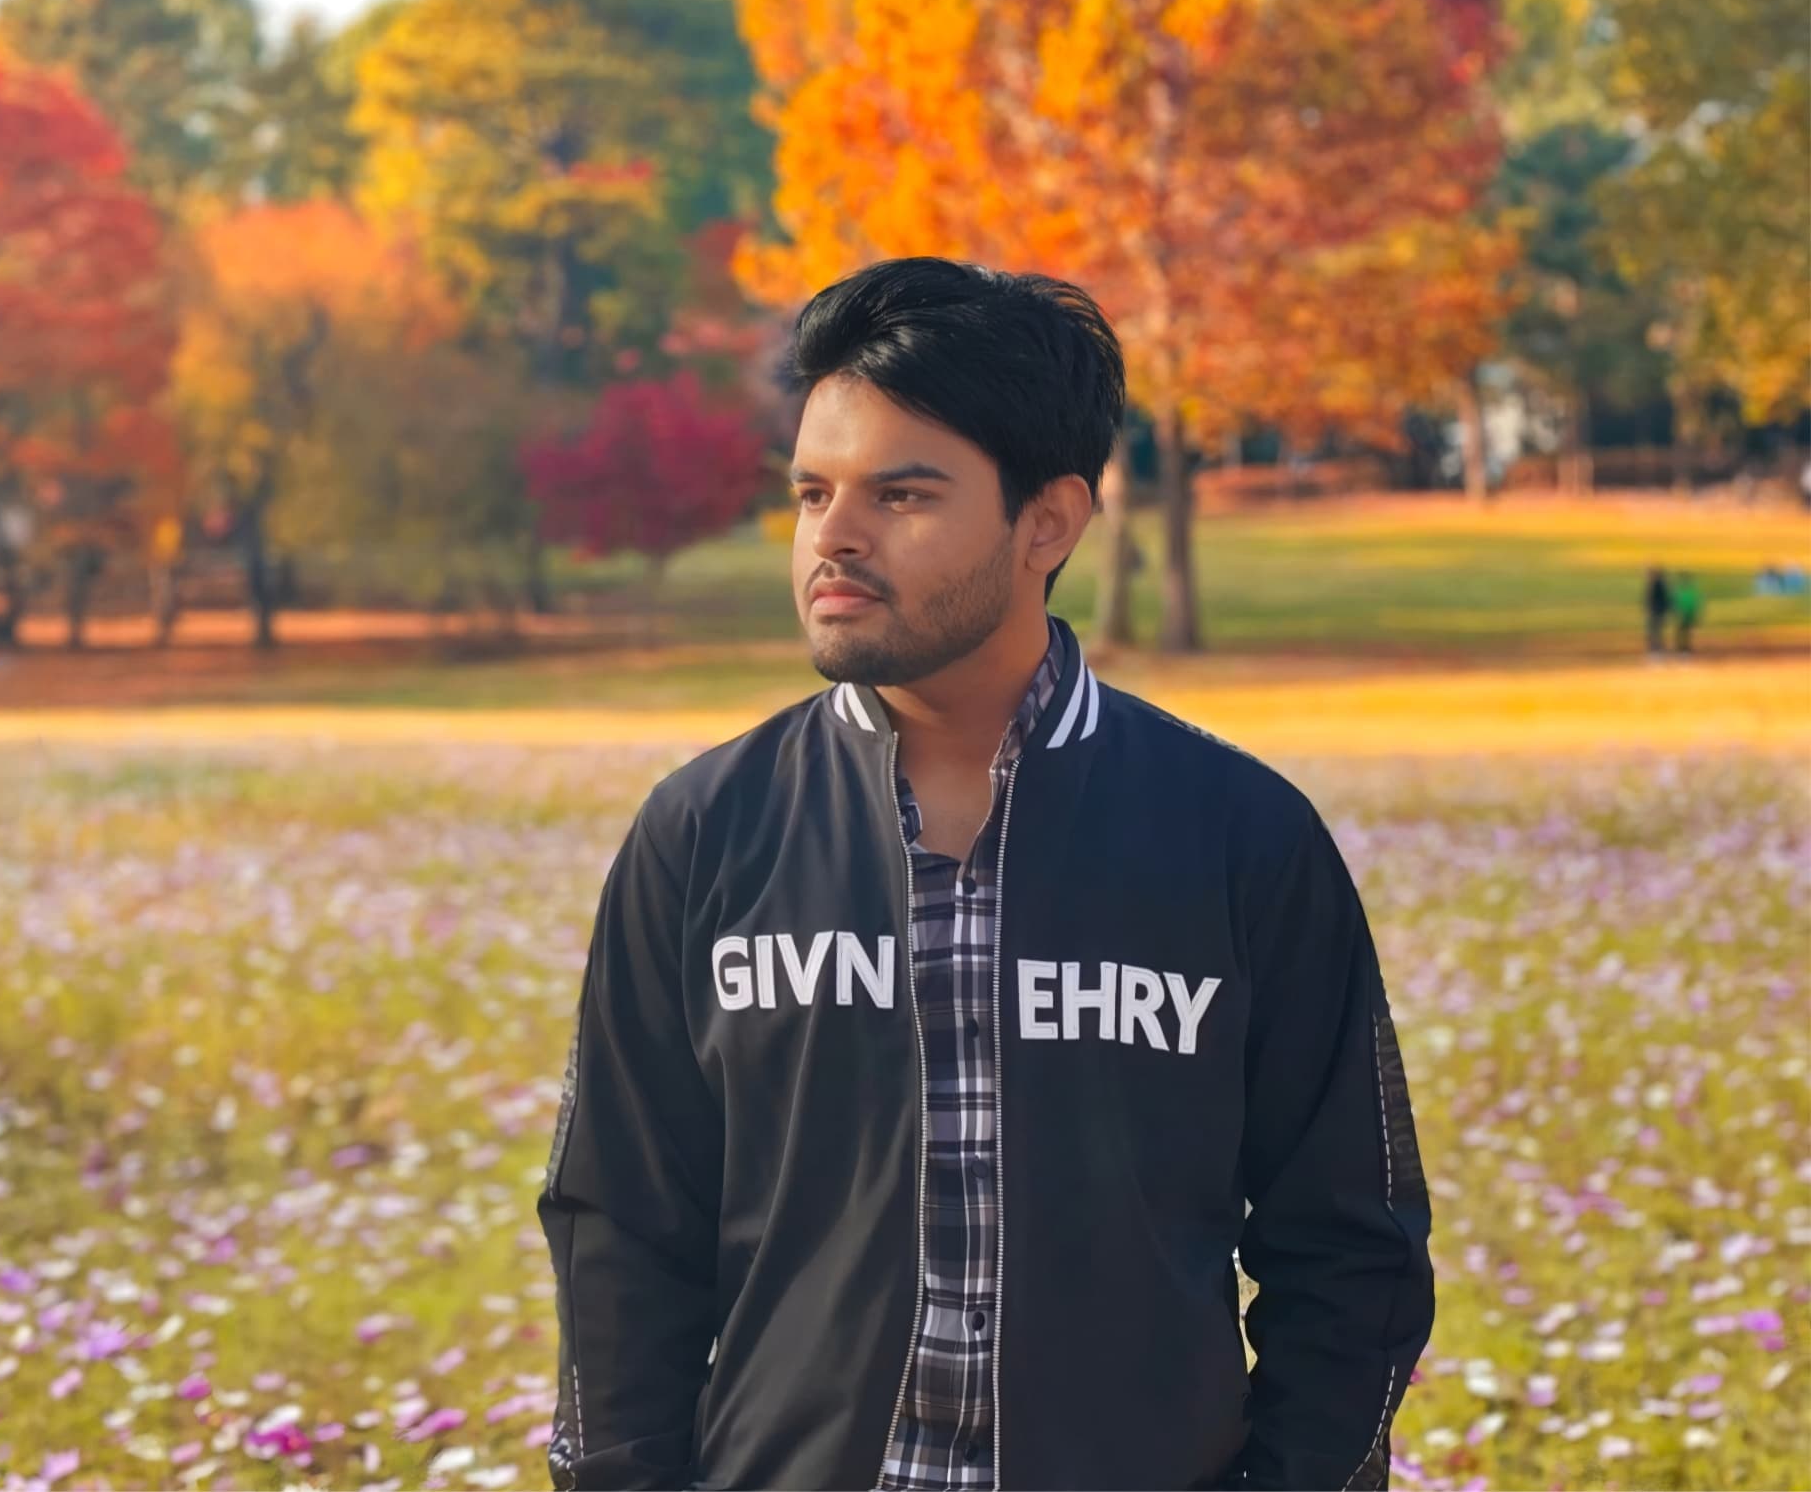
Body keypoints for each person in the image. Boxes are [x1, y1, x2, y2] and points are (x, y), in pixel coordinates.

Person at [538, 258, 1432, 1492]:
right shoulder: (700, 836)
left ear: (1047, 522)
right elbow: (617, 1237)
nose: (833, 538)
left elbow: (1353, 1250)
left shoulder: (1241, 842)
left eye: (901, 494)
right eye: (811, 493)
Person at [1645, 564, 1673, 654]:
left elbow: (1658, 599)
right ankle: (1656, 649)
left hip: (1657, 611)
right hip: (1658, 611)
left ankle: (1656, 650)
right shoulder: (1660, 583)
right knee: (1656, 631)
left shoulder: (1658, 584)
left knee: (1655, 631)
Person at [1672, 572, 1702, 653]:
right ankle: (1682, 649)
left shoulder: (1683, 592)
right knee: (1683, 633)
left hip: (1686, 616)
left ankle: (1684, 649)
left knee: (1685, 634)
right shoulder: (1686, 591)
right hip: (1684, 615)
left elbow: (1693, 604)